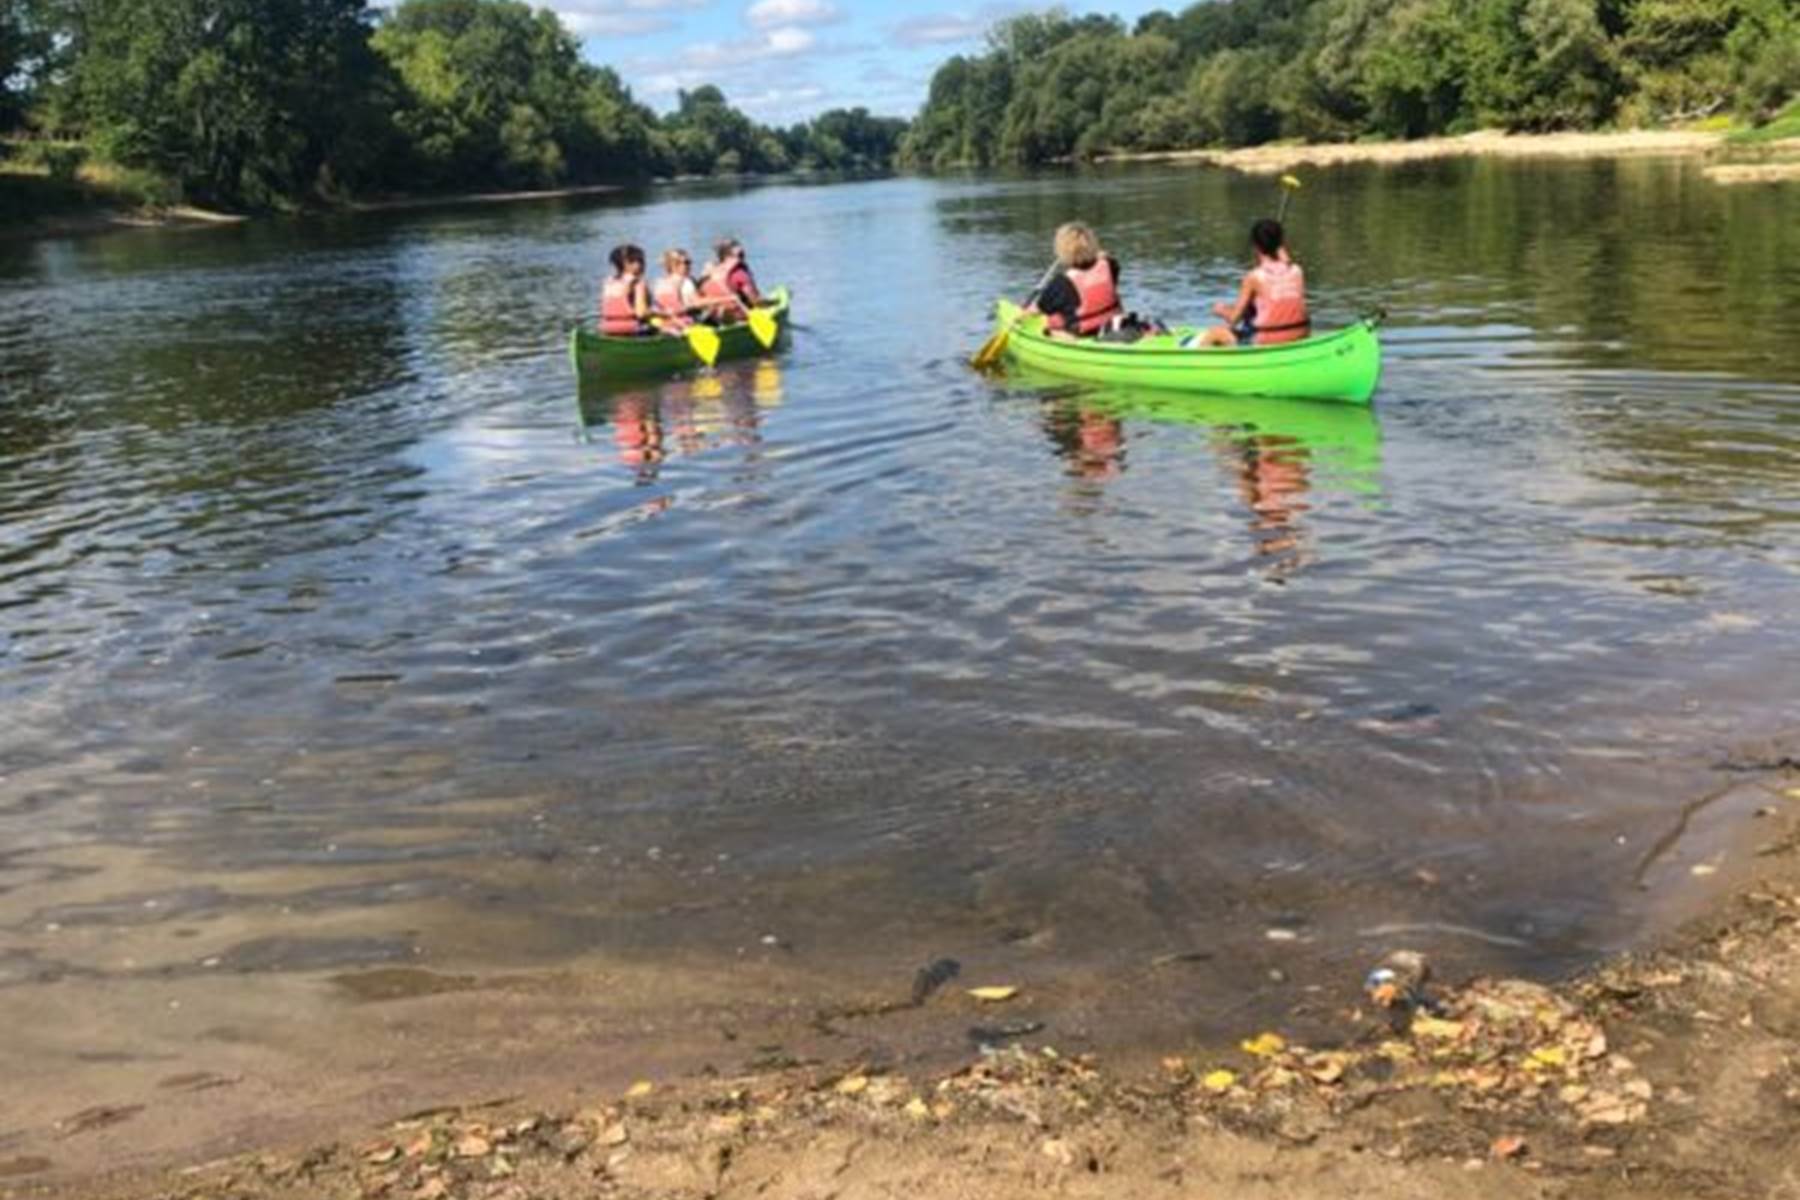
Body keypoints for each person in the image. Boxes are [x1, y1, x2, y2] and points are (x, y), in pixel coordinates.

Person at [1191, 219, 1309, 349]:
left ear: (1256, 246)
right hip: (1299, 334)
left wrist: (1221, 310)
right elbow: (1285, 262)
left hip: (1266, 339)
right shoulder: (1297, 271)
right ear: (1281, 244)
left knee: (1215, 333)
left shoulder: (1254, 277)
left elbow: (1234, 319)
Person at [1030, 222, 1124, 339]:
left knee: (1050, 327)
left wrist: (1024, 313)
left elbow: (1039, 310)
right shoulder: (1109, 265)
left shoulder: (1061, 282)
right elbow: (1110, 263)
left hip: (1081, 333)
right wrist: (1099, 256)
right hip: (1111, 325)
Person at [650, 248, 733, 332]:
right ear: (674, 265)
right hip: (686, 323)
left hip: (667, 323)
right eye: (687, 262)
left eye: (690, 262)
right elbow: (696, 303)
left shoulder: (659, 283)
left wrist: (705, 277)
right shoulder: (687, 281)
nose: (690, 265)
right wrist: (727, 298)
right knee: (721, 309)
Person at [698, 238, 762, 322]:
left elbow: (698, 298)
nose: (742, 258)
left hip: (713, 317)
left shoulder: (709, 272)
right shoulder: (739, 273)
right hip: (739, 316)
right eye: (741, 255)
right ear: (727, 256)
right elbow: (755, 301)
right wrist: (771, 303)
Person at [598, 244, 653, 337]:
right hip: (630, 329)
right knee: (658, 328)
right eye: (641, 261)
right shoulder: (638, 283)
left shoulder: (608, 282)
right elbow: (641, 313)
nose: (644, 264)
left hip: (606, 328)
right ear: (627, 264)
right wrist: (659, 313)